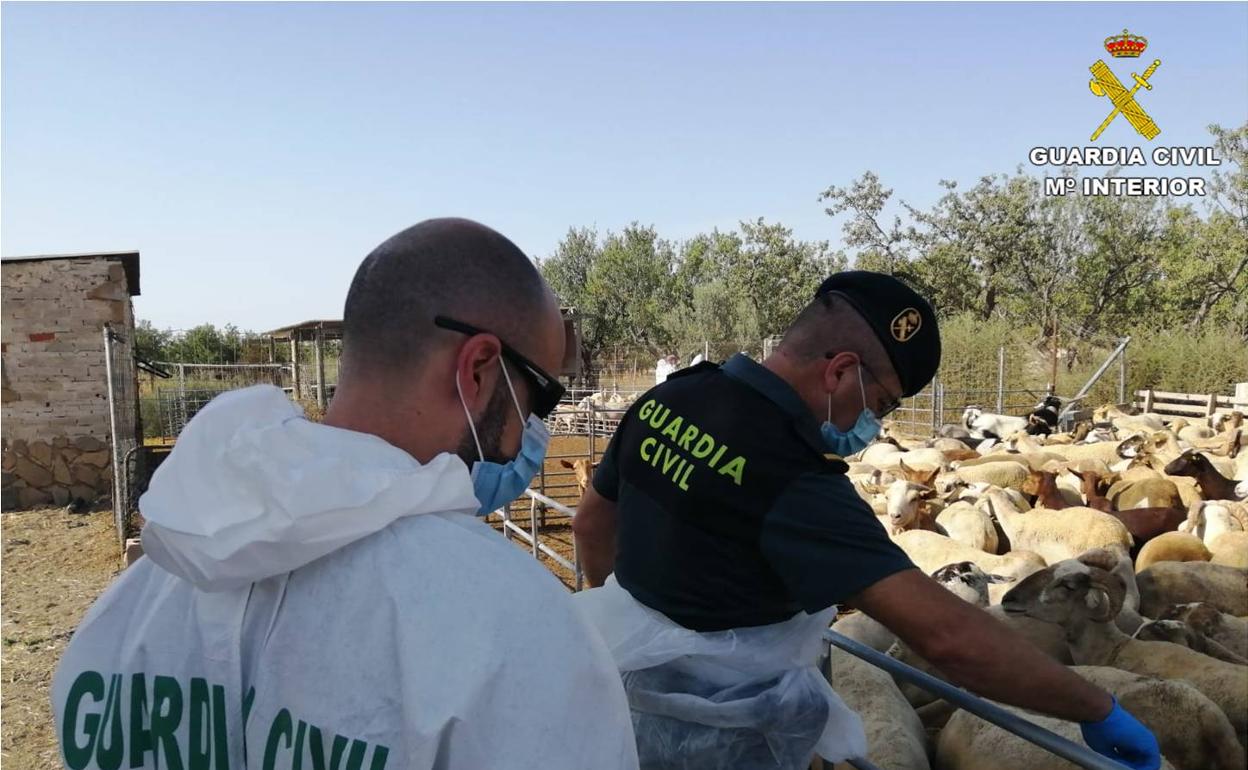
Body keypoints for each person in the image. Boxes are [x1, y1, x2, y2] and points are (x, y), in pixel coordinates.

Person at [52, 219, 638, 769]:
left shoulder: (137, 596)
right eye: (539, 399)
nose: (532, 435)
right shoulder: (520, 629)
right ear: (478, 369)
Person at [572, 271, 1159, 770]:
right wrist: (1096, 707)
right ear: (840, 372)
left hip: (625, 710)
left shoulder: (670, 400)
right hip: (732, 740)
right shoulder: (799, 483)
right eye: (880, 405)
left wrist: (632, 636)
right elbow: (948, 637)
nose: (873, 426)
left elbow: (590, 525)